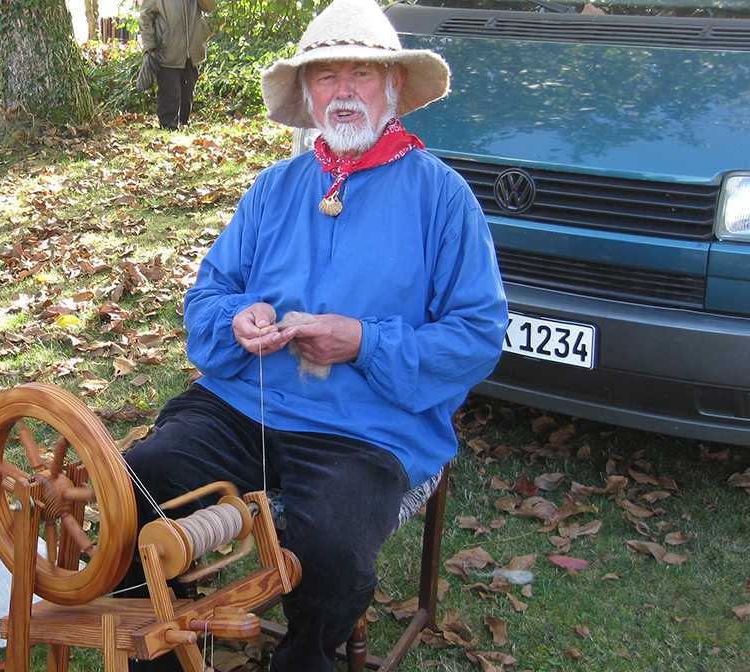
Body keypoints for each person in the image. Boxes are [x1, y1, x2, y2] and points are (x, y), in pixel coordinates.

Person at [120, 0, 508, 670]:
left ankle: (303, 657)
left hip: (365, 431)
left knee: (329, 545)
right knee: (140, 479)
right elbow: (209, 294)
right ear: (307, 93)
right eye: (328, 77)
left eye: (363, 73)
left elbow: (479, 335)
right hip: (247, 406)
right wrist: (236, 321)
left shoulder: (442, 198)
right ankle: (163, 639)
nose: (346, 90)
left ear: (393, 88)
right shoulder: (274, 189)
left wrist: (364, 342)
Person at [139, 0, 215, 130]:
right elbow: (145, 16)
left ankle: (184, 122)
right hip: (168, 50)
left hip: (193, 50)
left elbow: (210, 6)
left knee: (188, 90)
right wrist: (149, 46)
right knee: (169, 91)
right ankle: (168, 126)